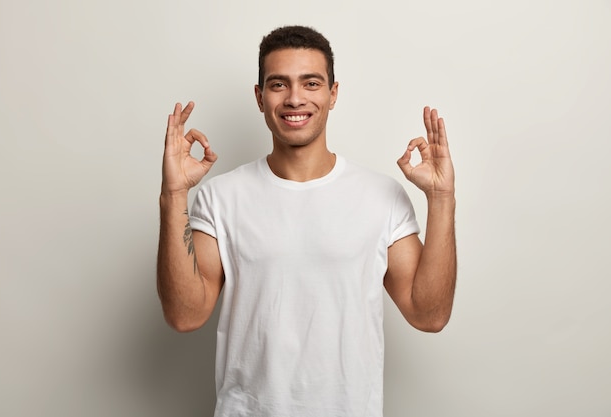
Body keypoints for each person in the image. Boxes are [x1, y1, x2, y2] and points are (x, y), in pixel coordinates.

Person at [157, 25, 456, 417]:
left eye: (311, 83)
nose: (295, 98)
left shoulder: (381, 197)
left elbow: (429, 314)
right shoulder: (221, 197)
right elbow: (184, 315)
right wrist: (174, 195)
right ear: (259, 96)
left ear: (333, 94)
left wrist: (442, 199)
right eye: (278, 84)